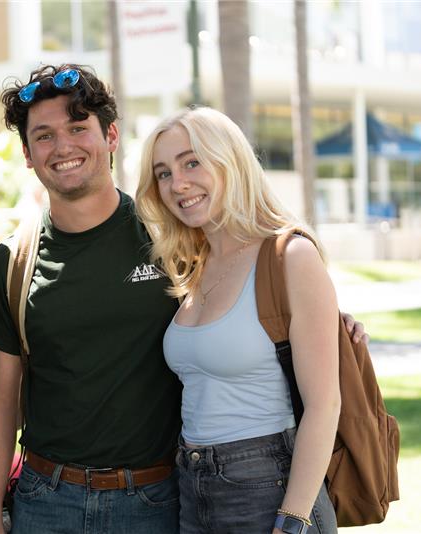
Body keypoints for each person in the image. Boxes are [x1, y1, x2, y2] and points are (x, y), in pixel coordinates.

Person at [0, 63, 183, 534]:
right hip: (46, 501)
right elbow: (3, 403)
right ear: (28, 155)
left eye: (77, 127)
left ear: (110, 136)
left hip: (156, 501)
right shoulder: (10, 265)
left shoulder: (172, 239)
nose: (63, 146)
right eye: (44, 135)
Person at [135, 106, 339, 533]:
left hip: (269, 485)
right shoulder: (190, 265)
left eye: (192, 162)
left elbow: (324, 405)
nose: (178, 183)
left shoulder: (290, 255)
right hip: (192, 487)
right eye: (163, 173)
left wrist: (295, 519)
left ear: (230, 161)